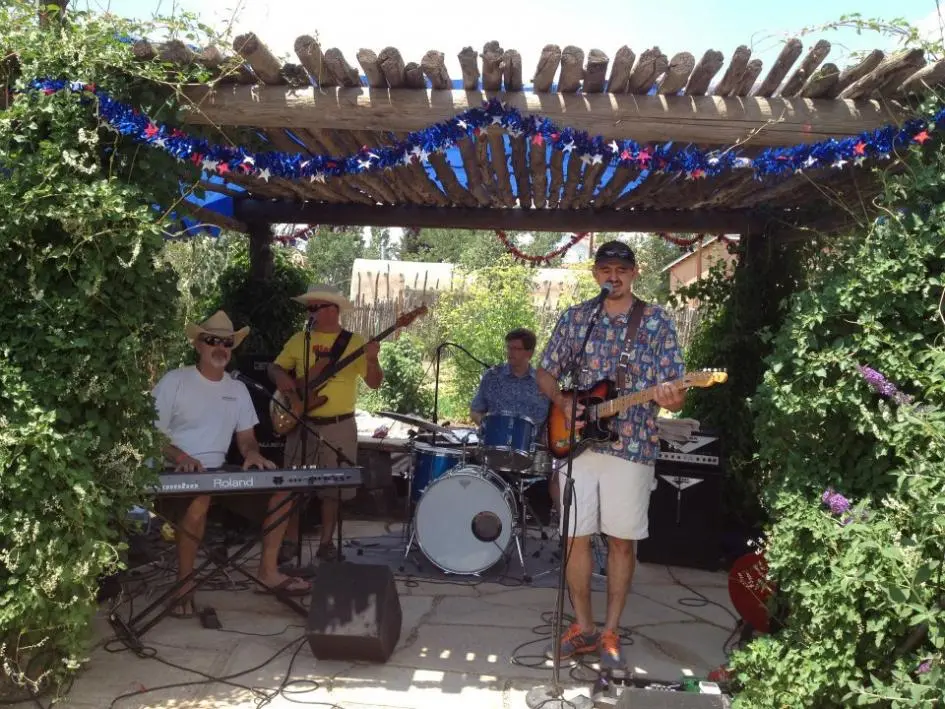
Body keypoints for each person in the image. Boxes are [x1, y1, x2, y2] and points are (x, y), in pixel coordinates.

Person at [536, 241, 686, 670]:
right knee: (574, 536)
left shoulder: (655, 321)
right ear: (595, 275)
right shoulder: (577, 318)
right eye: (605, 269)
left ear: (634, 273)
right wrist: (564, 403)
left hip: (632, 445)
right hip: (578, 446)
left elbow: (675, 392)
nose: (613, 276)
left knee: (621, 541)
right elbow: (546, 371)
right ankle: (583, 626)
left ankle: (611, 631)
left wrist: (672, 396)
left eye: (621, 269)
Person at [153, 311, 311, 619]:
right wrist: (182, 457)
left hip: (219, 473)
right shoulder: (175, 381)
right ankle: (184, 584)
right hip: (174, 472)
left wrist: (252, 454)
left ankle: (268, 572)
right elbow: (151, 436)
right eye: (213, 340)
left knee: (283, 492)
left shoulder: (237, 389)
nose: (220, 348)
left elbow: (246, 439)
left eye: (227, 343)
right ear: (198, 344)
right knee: (201, 497)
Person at [268, 284, 383, 562]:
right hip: (301, 422)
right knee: (292, 485)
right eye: (309, 308)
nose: (310, 313)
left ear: (332, 310)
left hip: (339, 425)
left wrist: (372, 359)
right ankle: (291, 542)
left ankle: (326, 543)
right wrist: (280, 376)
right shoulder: (300, 339)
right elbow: (275, 366)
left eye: (314, 308)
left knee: (334, 489)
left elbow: (374, 383)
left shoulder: (354, 342)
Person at [470, 328, 559, 508]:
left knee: (543, 500)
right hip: (494, 453)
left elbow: (554, 420)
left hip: (532, 457)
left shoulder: (543, 382)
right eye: (509, 347)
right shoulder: (492, 377)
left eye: (516, 349)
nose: (510, 352)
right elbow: (475, 411)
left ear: (529, 353)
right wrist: (486, 426)